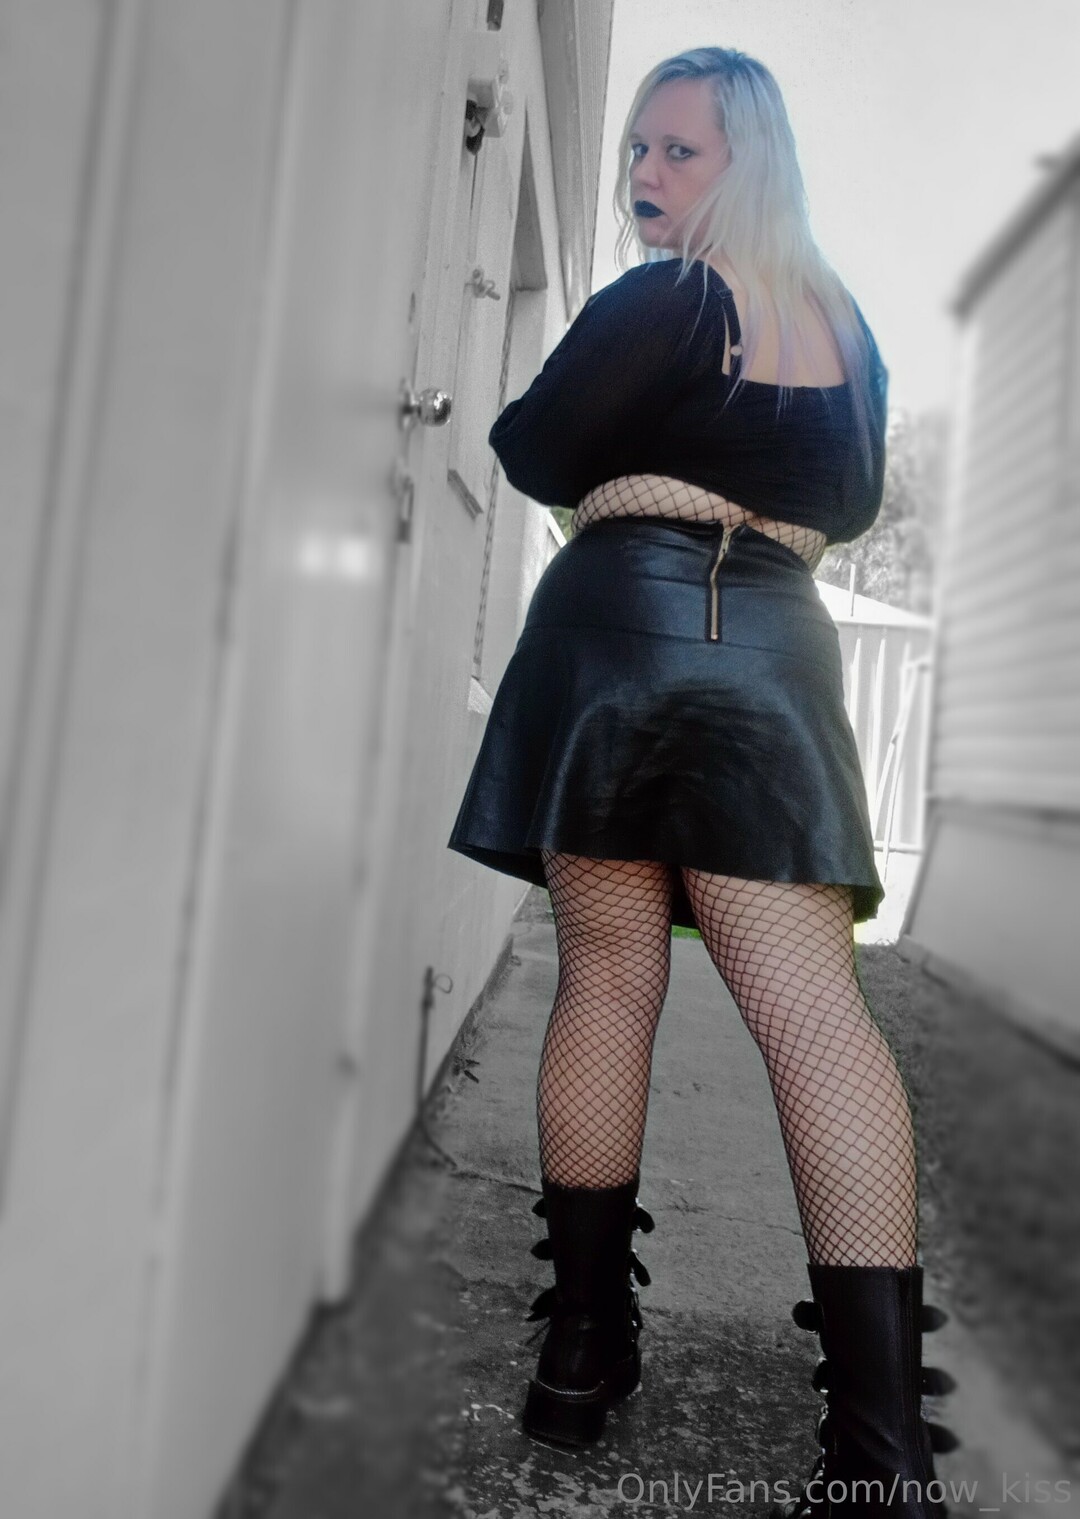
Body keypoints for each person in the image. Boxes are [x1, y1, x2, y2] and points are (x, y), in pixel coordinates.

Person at [446, 47, 959, 1516]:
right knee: (819, 1018)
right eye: (637, 151)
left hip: (616, 628)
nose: (647, 177)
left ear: (752, 162)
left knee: (608, 980)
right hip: (774, 645)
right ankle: (878, 1451)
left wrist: (644, 452)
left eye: (681, 152)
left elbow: (531, 445)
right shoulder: (845, 329)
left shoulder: (662, 300)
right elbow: (852, 501)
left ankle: (581, 1359)